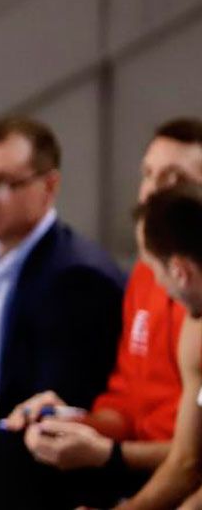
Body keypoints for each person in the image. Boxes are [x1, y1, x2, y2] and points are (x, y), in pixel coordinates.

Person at [0, 117, 202, 508]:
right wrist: (75, 420)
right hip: (140, 464)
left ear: (181, 270)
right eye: (148, 174)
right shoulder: (148, 278)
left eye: (174, 179)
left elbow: (191, 461)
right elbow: (130, 405)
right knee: (21, 450)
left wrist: (112, 464)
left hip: (147, 467)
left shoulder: (191, 313)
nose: (151, 192)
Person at [0, 118, 125, 509]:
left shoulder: (75, 276)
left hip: (44, 469)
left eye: (3, 183)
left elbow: (57, 416)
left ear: (49, 186)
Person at [121, 183, 202, 509]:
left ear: (180, 271)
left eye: (154, 270)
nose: (155, 283)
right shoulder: (195, 330)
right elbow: (187, 459)